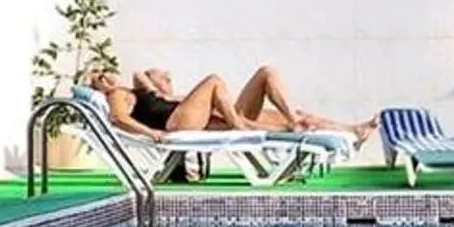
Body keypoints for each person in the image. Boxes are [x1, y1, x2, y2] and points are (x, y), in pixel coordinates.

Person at [89, 65, 375, 143]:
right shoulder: (116, 95)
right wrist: (152, 134)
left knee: (267, 74)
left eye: (104, 69)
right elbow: (118, 119)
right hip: (175, 123)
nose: (105, 73)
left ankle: (352, 129)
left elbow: (141, 75)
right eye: (99, 76)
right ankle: (242, 127)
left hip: (200, 115)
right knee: (214, 80)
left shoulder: (136, 88)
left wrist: (164, 93)